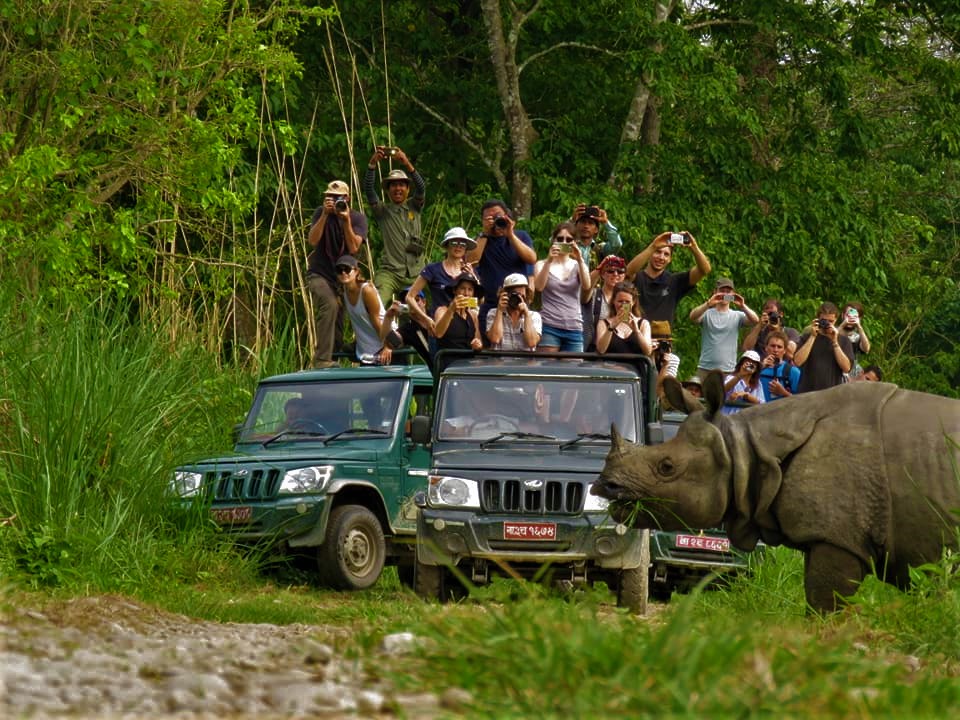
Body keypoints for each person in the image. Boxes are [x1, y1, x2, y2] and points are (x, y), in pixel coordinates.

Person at [306, 180, 368, 367]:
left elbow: (353, 247)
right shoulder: (320, 212)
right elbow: (313, 241)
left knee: (345, 314)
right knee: (330, 305)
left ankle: (337, 355)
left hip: (343, 275)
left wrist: (346, 220)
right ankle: (322, 359)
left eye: (337, 197)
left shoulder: (357, 218)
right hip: (319, 273)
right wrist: (325, 215)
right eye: (329, 197)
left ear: (347, 198)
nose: (333, 201)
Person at [363, 146, 427, 306]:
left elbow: (421, 188)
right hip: (390, 271)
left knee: (418, 312)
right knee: (375, 304)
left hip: (416, 273)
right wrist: (372, 164)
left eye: (402, 185)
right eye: (393, 185)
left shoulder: (414, 206)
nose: (398, 188)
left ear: (407, 188)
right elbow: (369, 190)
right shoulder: (382, 211)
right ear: (388, 190)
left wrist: (406, 163)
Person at [466, 200, 537, 341]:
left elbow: (532, 258)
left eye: (498, 216)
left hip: (518, 304)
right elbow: (470, 261)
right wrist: (485, 233)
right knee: (490, 348)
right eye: (490, 218)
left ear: (507, 216)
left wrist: (510, 234)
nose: (495, 221)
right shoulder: (481, 240)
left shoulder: (520, 236)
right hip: (491, 304)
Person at [625, 230, 712, 337]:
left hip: (662, 343)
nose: (661, 257)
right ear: (650, 253)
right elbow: (628, 272)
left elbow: (705, 270)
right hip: (636, 339)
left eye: (666, 254)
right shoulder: (637, 277)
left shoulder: (675, 281)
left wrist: (693, 246)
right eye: (657, 251)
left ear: (670, 259)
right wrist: (653, 246)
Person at [405, 226, 478, 335]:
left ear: (466, 248)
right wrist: (425, 318)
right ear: (447, 246)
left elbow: (479, 301)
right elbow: (410, 297)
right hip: (438, 327)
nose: (458, 246)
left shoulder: (468, 272)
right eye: (454, 243)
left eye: (462, 244)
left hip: (463, 330)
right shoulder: (433, 269)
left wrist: (474, 277)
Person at [534, 223, 592, 352]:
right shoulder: (542, 264)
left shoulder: (577, 265)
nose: (564, 242)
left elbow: (587, 285)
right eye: (560, 239)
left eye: (569, 240)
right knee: (547, 368)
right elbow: (538, 287)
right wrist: (549, 260)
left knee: (573, 370)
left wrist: (580, 259)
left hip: (574, 326)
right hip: (549, 325)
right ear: (553, 240)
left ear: (575, 242)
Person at [689, 277, 759, 374]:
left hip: (728, 370)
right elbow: (692, 317)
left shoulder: (737, 315)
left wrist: (743, 306)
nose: (725, 294)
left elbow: (755, 320)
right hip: (705, 368)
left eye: (728, 292)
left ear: (733, 294)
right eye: (722, 291)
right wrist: (708, 303)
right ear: (715, 292)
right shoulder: (707, 313)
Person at [335, 255, 392, 365]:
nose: (343, 273)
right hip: (366, 349)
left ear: (356, 271)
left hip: (385, 340)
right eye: (339, 270)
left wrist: (388, 346)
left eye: (347, 269)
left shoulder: (367, 291)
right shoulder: (343, 291)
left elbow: (377, 322)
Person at [793, 302, 855, 392]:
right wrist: (813, 336)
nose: (827, 324)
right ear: (817, 319)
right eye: (824, 320)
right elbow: (797, 362)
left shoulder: (844, 341)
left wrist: (835, 342)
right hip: (807, 394)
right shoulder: (807, 337)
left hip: (830, 395)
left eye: (831, 321)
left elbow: (846, 368)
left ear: (836, 320)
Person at [381, 285, 434, 370]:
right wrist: (388, 317)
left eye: (416, 300)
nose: (412, 304)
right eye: (407, 302)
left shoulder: (436, 314)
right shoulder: (408, 329)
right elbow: (391, 343)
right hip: (437, 372)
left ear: (424, 302)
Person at [486, 273, 542, 351]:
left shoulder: (534, 316)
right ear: (505, 294)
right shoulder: (493, 313)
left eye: (521, 295)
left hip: (525, 362)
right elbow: (495, 339)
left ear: (526, 294)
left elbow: (532, 343)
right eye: (515, 295)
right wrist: (499, 311)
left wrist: (526, 315)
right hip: (500, 361)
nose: (518, 299)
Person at [582, 255, 627, 351]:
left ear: (624, 275)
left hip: (619, 349)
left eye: (620, 271)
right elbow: (586, 287)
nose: (615, 274)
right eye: (610, 271)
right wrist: (599, 268)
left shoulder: (627, 298)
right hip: (593, 349)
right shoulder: (593, 294)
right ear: (602, 274)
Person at [596, 282, 653, 356]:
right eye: (620, 301)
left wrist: (637, 331)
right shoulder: (603, 323)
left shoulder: (643, 323)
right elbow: (601, 350)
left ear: (633, 302)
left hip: (635, 366)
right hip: (610, 366)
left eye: (627, 302)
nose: (623, 305)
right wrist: (611, 327)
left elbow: (648, 351)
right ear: (613, 301)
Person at [434, 272, 484, 351]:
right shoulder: (442, 310)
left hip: (468, 359)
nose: (466, 293)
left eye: (470, 289)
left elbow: (478, 340)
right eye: (462, 288)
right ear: (454, 290)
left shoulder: (473, 314)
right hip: (449, 359)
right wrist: (451, 309)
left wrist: (478, 345)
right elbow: (438, 334)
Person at [572, 203, 623, 268]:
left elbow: (616, 244)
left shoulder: (600, 249)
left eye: (590, 223)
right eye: (583, 222)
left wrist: (605, 222)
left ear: (596, 229)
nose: (586, 226)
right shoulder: (569, 246)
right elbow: (558, 242)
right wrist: (572, 221)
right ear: (576, 226)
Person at [758, 329, 801, 401]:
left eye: (779, 347)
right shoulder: (756, 368)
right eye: (772, 346)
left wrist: (783, 392)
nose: (775, 350)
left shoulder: (793, 371)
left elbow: (801, 400)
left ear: (784, 350)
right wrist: (760, 368)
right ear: (766, 348)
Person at [722, 350, 766, 415]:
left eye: (754, 362)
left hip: (747, 420)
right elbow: (723, 390)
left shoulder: (758, 384)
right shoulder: (731, 378)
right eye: (748, 361)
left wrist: (746, 395)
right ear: (741, 364)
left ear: (757, 368)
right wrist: (740, 375)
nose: (750, 364)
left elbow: (762, 404)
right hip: (729, 417)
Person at [836, 302, 871, 377]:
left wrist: (859, 327)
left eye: (854, 316)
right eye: (848, 315)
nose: (851, 318)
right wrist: (843, 324)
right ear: (842, 315)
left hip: (850, 376)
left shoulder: (857, 337)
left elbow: (866, 349)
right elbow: (830, 339)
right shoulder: (834, 330)